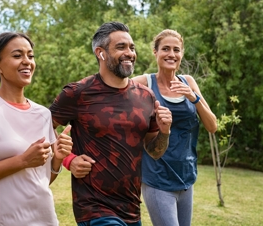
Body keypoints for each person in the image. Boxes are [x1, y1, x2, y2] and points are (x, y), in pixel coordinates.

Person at [49, 21, 173, 226]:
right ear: (101, 53)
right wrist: (69, 160)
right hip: (94, 207)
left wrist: (165, 131)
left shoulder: (146, 97)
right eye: (121, 47)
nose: (129, 53)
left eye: (132, 47)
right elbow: (42, 126)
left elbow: (154, 151)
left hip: (131, 208)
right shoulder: (78, 93)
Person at [0, 32, 73, 226]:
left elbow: (38, 181)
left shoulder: (43, 114)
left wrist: (57, 160)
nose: (27, 62)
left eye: (30, 56)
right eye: (17, 56)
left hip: (44, 220)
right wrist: (23, 160)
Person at [131, 29, 217, 226]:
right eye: (165, 49)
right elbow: (113, 91)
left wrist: (193, 97)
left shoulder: (189, 82)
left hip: (186, 178)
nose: (171, 54)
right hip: (157, 179)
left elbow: (212, 126)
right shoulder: (144, 83)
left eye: (176, 50)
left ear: (182, 54)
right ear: (155, 52)